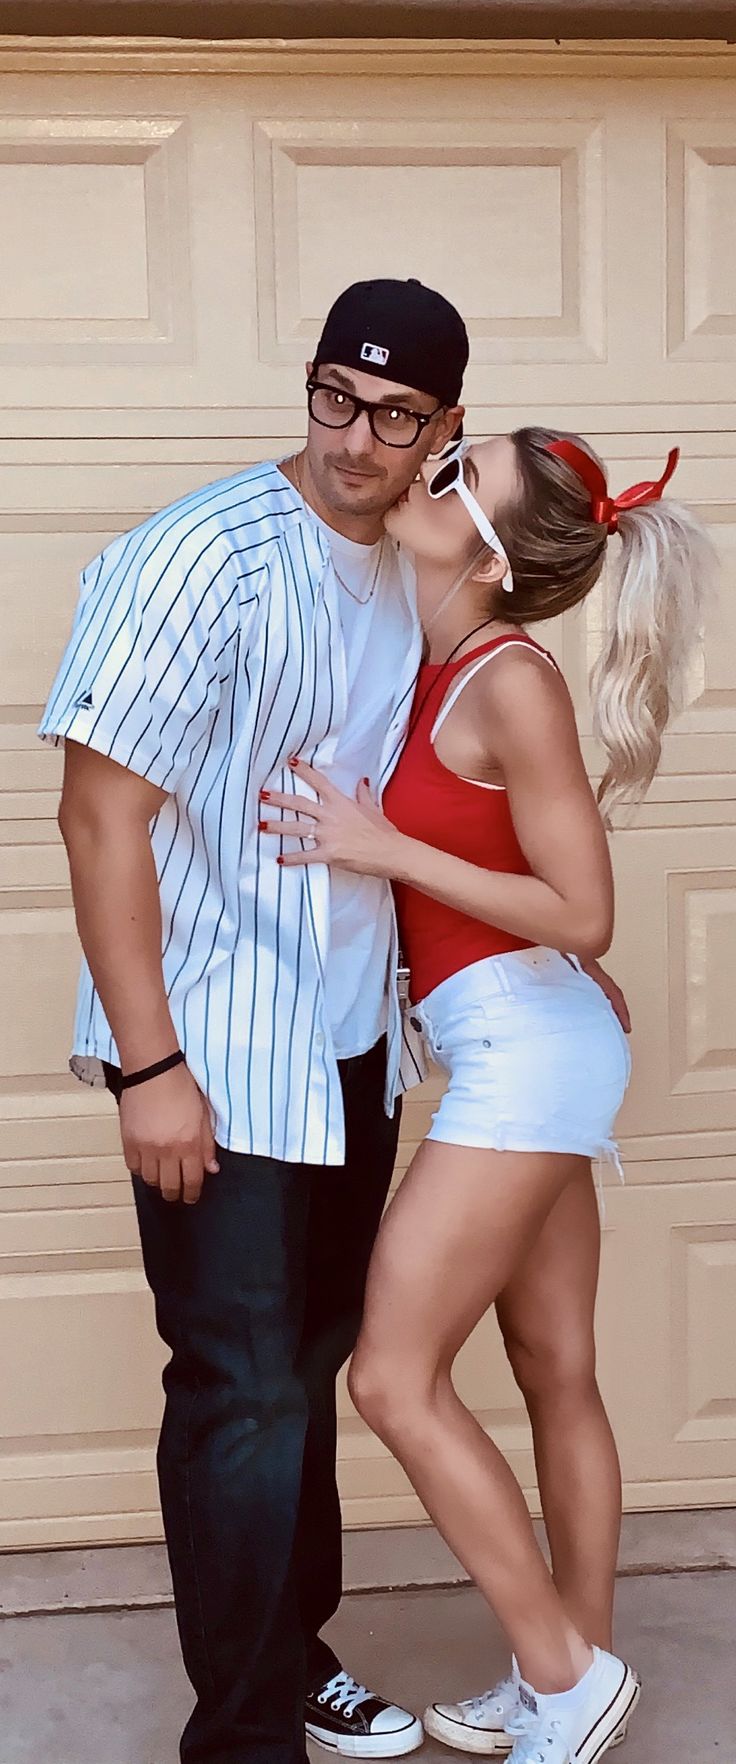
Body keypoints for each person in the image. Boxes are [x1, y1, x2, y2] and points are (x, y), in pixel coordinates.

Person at [39, 277, 471, 1764]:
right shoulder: (198, 558)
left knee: (304, 1369)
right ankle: (239, 1737)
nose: (355, 439)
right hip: (214, 1052)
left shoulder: (417, 566)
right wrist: (151, 1066)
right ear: (310, 386)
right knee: (234, 1388)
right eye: (332, 399)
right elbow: (99, 818)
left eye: (395, 415)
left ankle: (293, 1655)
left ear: (441, 429)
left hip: (353, 1042)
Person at [257, 431, 716, 1764]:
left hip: (528, 1053)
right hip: (529, 1033)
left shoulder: (510, 680)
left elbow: (588, 907)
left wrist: (379, 845)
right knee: (552, 1367)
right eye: (450, 454)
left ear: (497, 555)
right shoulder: (434, 658)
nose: (427, 474)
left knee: (394, 1376)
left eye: (461, 478)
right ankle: (564, 1663)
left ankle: (565, 1676)